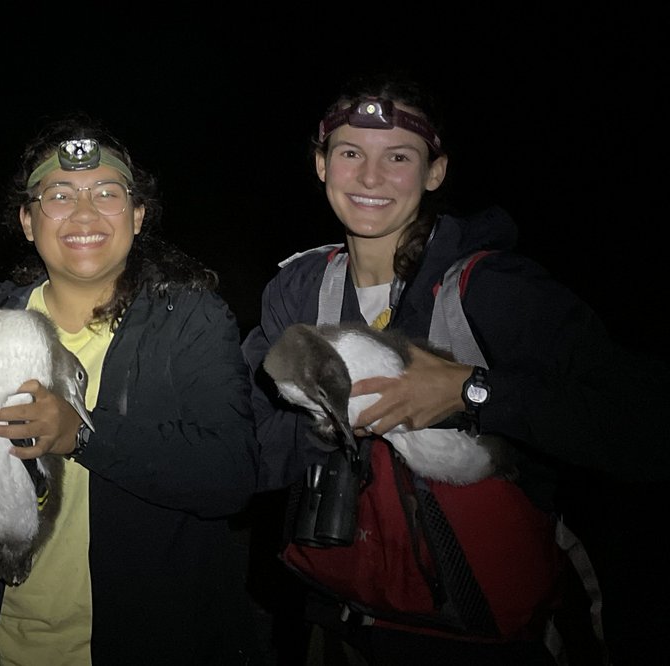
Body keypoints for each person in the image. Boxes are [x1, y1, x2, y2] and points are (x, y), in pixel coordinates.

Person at [241, 71, 669, 665]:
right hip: (342, 619)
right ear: (321, 165)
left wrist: (473, 392)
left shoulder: (489, 289)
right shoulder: (298, 293)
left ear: (434, 172)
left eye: (398, 156)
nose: (369, 177)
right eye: (349, 153)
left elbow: (647, 427)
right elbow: (252, 452)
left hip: (487, 636)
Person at [0, 113, 263, 664]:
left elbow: (231, 477)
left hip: (149, 641)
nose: (83, 213)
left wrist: (81, 433)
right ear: (28, 221)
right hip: (1, 641)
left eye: (107, 193)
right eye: (59, 195)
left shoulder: (191, 320)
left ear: (138, 215)